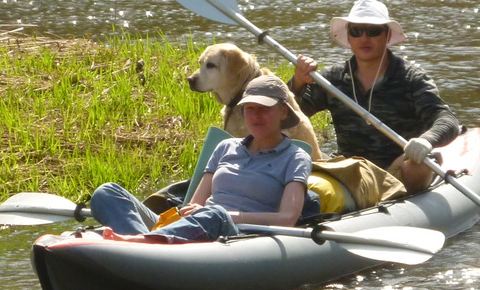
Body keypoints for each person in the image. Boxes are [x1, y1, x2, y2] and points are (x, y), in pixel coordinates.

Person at [88, 75, 314, 242]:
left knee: (215, 213)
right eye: (249, 108)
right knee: (107, 192)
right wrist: (195, 211)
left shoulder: (295, 157)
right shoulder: (225, 146)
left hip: (239, 235)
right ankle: (145, 241)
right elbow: (194, 204)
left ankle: (142, 242)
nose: (255, 116)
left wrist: (231, 216)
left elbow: (287, 219)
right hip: (202, 224)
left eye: (264, 109)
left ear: (283, 112)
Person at [289, 0, 460, 194]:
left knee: (416, 165)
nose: (364, 38)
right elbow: (292, 116)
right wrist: (297, 83)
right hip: (349, 169)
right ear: (349, 37)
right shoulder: (332, 79)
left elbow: (447, 119)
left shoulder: (411, 78)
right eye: (356, 31)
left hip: (398, 167)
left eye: (373, 31)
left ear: (386, 36)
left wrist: (426, 140)